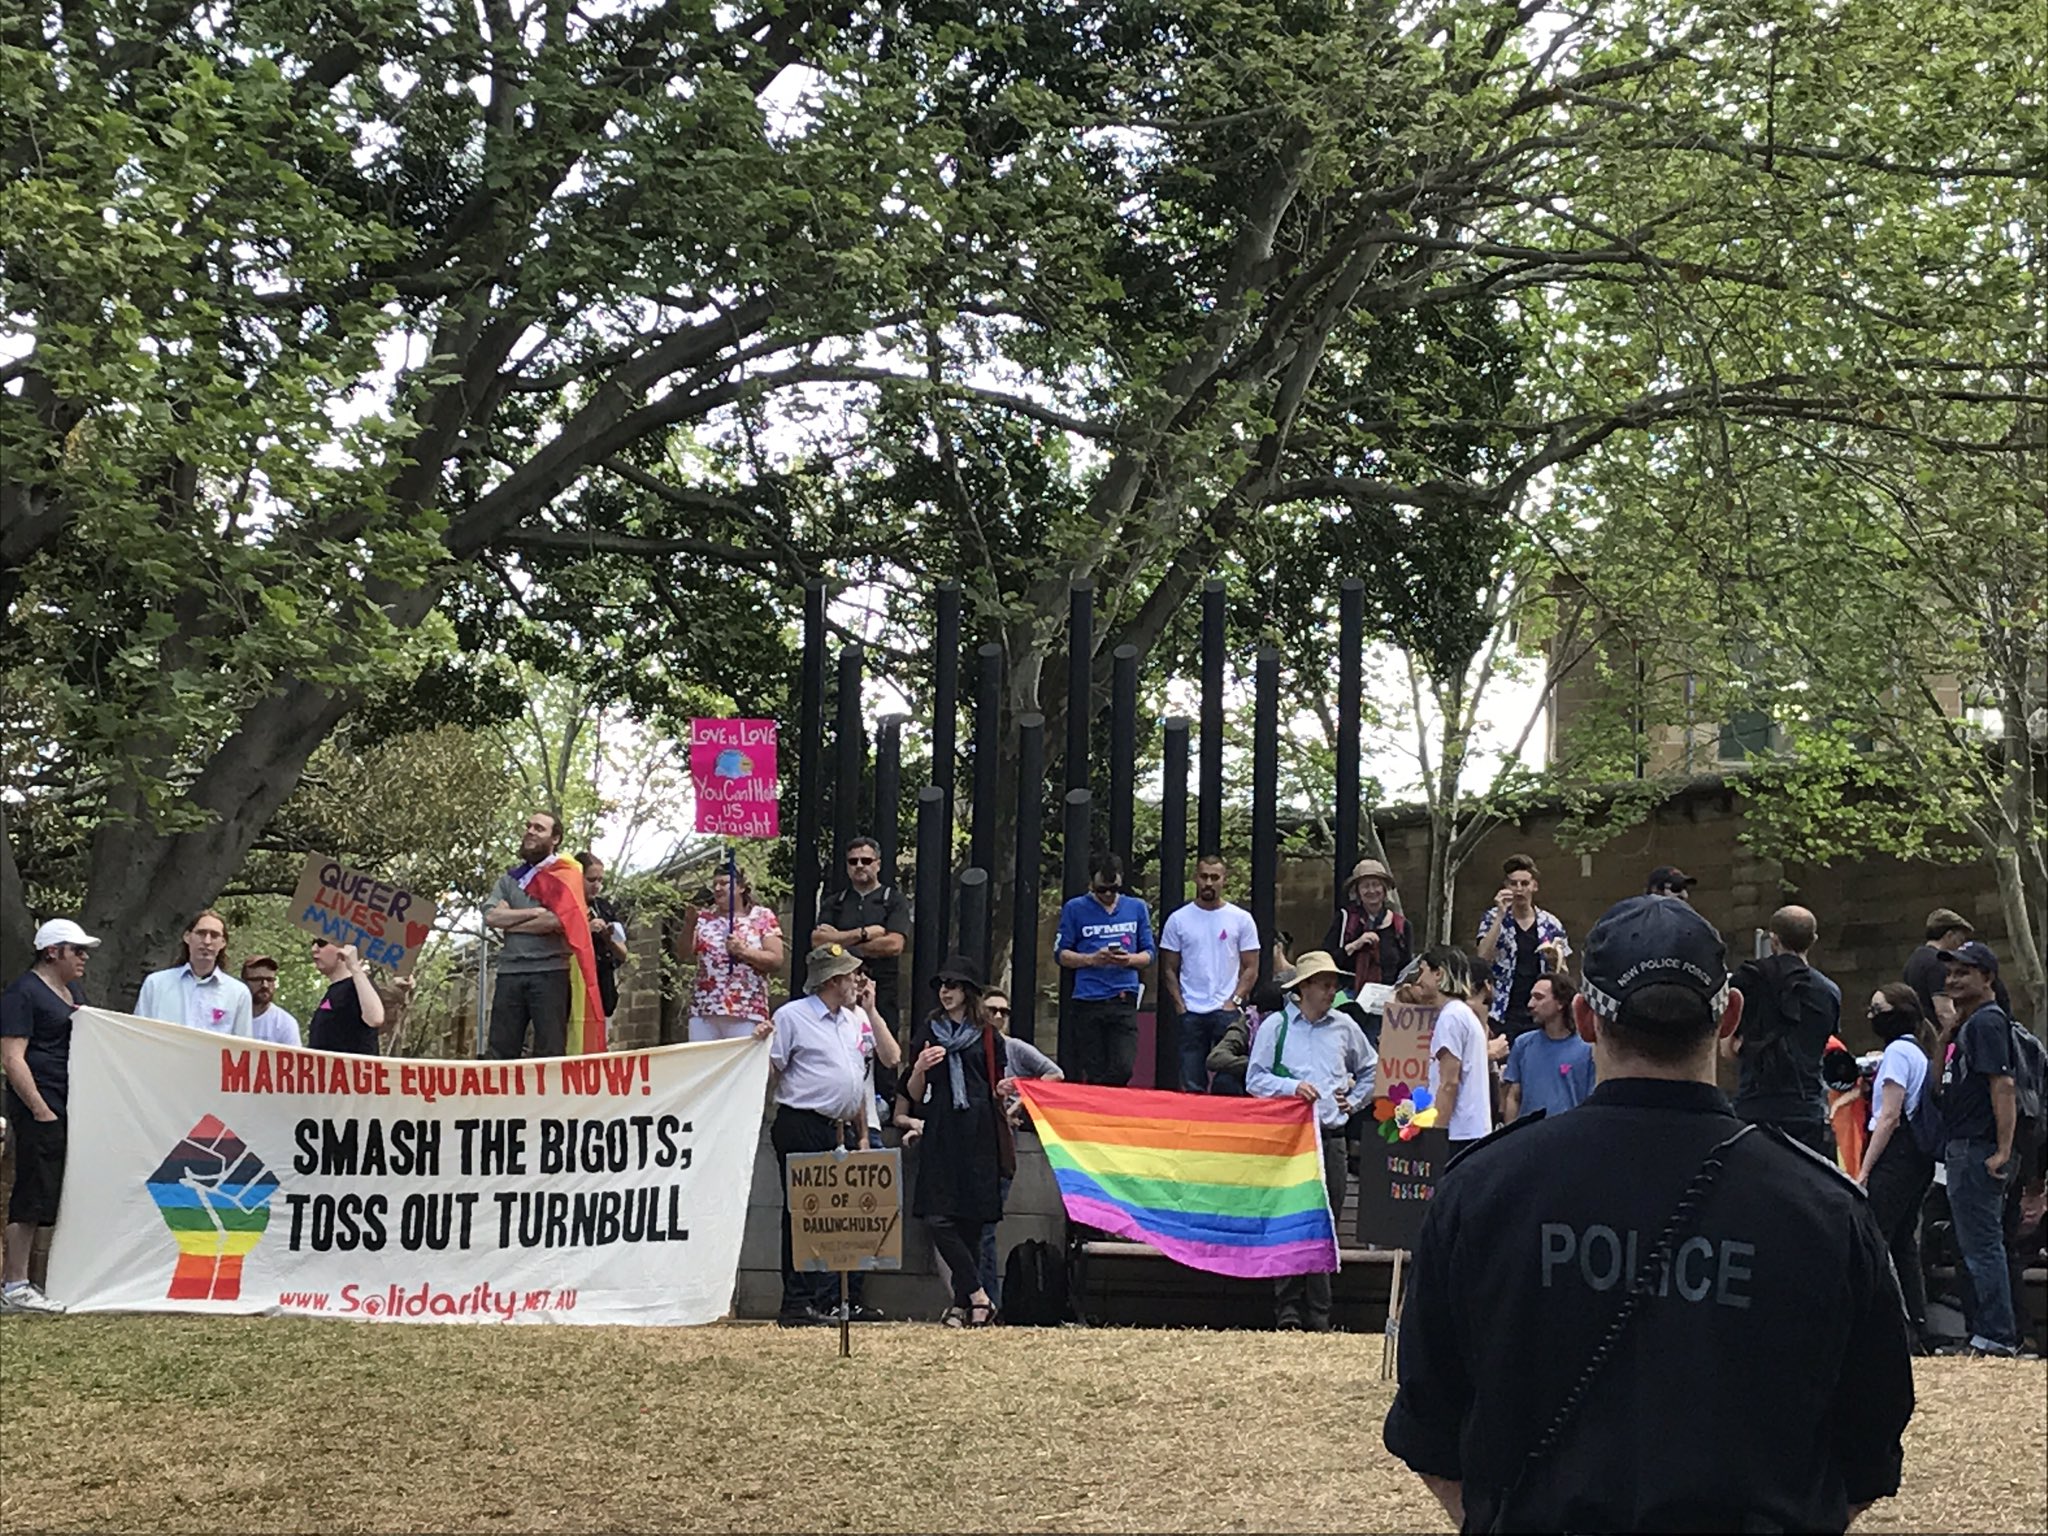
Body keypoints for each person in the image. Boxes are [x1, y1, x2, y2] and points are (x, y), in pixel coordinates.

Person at [1384, 895, 1915, 1533]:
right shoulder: (1825, 1210)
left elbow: (1427, 1421)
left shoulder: (1482, 1192)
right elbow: (1868, 1448)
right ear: (1728, 1018)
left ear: (1584, 1018)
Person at [768, 944, 901, 1326]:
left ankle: (823, 1299)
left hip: (838, 1126)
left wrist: (861, 1132)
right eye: (850, 975)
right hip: (801, 1120)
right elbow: (773, 1068)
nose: (858, 981)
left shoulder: (853, 1018)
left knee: (829, 1212)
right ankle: (796, 1300)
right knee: (801, 1212)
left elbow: (868, 1071)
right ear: (831, 981)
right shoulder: (792, 1016)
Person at [1246, 950, 1377, 1332]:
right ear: (1303, 988)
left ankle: (1320, 1311)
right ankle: (1287, 1307)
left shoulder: (1345, 1026)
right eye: (1324, 984)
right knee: (1289, 1220)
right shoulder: (1276, 1027)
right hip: (1290, 1139)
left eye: (1334, 984)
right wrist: (1291, 1087)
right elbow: (1255, 1080)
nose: (1331, 991)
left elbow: (1371, 1069)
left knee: (1326, 1223)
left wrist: (1353, 1103)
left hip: (1331, 1135)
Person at [904, 956, 1012, 1327]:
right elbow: (914, 1091)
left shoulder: (988, 1035)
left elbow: (998, 1085)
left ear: (968, 992)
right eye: (942, 986)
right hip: (942, 1126)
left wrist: (1004, 1090)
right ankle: (979, 1295)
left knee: (971, 1222)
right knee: (937, 1217)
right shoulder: (930, 1029)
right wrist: (920, 1067)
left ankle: (963, 1305)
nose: (945, 992)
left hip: (979, 1129)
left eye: (952, 985)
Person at [0, 919, 98, 1314]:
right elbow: (11, 1057)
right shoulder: (23, 993)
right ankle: (14, 1283)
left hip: (68, 1103)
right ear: (53, 951)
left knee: (53, 1192)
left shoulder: (72, 990)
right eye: (77, 950)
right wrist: (40, 1108)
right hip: (40, 1107)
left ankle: (40, 1278)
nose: (84, 957)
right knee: (31, 1190)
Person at [1930, 942, 2022, 1356]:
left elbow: (2002, 1085)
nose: (1953, 980)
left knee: (1983, 1245)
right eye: (1950, 973)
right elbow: (1938, 1083)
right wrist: (1947, 1031)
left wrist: (2002, 1149)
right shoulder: (1967, 1026)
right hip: (1959, 1146)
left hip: (1978, 1147)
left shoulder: (1987, 1023)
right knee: (1971, 1245)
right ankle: (1984, 1332)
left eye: (1964, 972)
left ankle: (1997, 1336)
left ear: (1987, 978)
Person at [1856, 983, 1936, 1351]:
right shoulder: (1917, 1051)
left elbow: (1888, 1116)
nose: (1871, 1016)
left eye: (1877, 1009)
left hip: (1897, 1154)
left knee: (1873, 1238)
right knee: (1903, 1241)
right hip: (1918, 1158)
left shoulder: (1898, 1054)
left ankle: (1881, 1327)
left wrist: (1865, 1168)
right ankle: (1915, 1325)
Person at [1725, 905, 1841, 1157]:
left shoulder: (1746, 982)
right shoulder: (1828, 992)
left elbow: (1728, 1049)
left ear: (1773, 938)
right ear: (1813, 940)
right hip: (1806, 1107)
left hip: (1755, 1106)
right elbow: (1823, 1044)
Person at [973, 986, 1061, 1306]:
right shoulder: (970, 1045)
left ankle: (988, 1301)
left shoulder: (1015, 1048)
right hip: (970, 1142)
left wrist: (1018, 1102)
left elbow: (1054, 1074)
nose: (998, 1016)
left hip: (1002, 1144)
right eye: (991, 1010)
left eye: (1004, 1012)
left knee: (986, 1226)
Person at [1159, 852, 1260, 1092]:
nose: (1208, 882)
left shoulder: (1241, 919)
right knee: (1192, 1082)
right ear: (1195, 878)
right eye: (1204, 876)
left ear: (1224, 880)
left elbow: (1251, 967)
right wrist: (1180, 1005)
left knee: (1229, 1080)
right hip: (1191, 1011)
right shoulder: (1178, 920)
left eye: (1215, 877)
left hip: (1226, 1011)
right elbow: (1168, 969)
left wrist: (1234, 1001)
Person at [1053, 852, 1155, 1087]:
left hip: (1123, 996)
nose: (1108, 895)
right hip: (1089, 999)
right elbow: (1061, 953)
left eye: (1114, 889)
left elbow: (1149, 953)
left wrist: (1128, 959)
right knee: (1095, 1066)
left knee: (1123, 1066)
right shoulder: (1075, 908)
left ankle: (1101, 1098)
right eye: (1102, 890)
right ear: (1091, 884)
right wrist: (1091, 959)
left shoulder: (1136, 907)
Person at [483, 811, 572, 1059]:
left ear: (555, 838)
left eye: (539, 828)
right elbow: (491, 917)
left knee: (550, 1051)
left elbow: (559, 920)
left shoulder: (565, 877)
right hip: (509, 973)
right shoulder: (510, 879)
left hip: (551, 973)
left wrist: (510, 920)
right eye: (529, 826)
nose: (531, 831)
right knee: (500, 1053)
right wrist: (533, 912)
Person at [810, 837, 913, 1029]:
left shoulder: (893, 900)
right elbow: (818, 941)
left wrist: (840, 942)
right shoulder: (835, 902)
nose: (859, 865)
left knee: (882, 1049)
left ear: (878, 864)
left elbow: (894, 945)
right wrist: (865, 933)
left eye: (866, 861)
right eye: (853, 861)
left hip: (882, 988)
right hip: (839, 988)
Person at [1473, 855, 1570, 1038]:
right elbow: (1482, 957)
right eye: (1513, 884)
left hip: (1539, 1012)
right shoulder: (1492, 918)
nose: (1519, 890)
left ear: (1534, 886)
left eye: (1524, 884)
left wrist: (1555, 960)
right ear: (1506, 886)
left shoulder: (1551, 924)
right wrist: (1500, 916)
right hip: (1502, 1011)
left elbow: (1563, 974)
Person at [1407, 945, 1493, 1150]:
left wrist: (1436, 1134)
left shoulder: (1451, 1017)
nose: (1419, 981)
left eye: (1423, 971)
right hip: (1471, 1129)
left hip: (1457, 1133)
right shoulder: (1462, 1014)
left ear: (1438, 974)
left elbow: (1449, 1083)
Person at [688, 863, 784, 1042]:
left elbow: (776, 960)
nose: (717, 888)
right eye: (714, 884)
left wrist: (744, 951)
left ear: (741, 887)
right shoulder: (704, 919)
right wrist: (689, 925)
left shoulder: (761, 916)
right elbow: (684, 956)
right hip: (705, 1011)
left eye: (724, 883)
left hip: (746, 1010)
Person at [1322, 859, 1412, 1047]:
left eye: (1376, 884)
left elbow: (1406, 967)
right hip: (1350, 1001)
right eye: (1365, 886)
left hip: (1386, 1005)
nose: (1371, 890)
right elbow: (1326, 959)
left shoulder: (1401, 925)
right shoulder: (1345, 920)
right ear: (1357, 891)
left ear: (1385, 889)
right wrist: (1355, 945)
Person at [134, 908, 253, 1038]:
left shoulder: (238, 993)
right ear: (187, 937)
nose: (207, 941)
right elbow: (139, 1035)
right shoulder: (156, 985)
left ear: (223, 943)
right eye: (201, 933)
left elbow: (242, 1048)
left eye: (214, 935)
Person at [1501, 975, 1595, 1121]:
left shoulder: (1587, 1049)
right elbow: (1514, 1096)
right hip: (1528, 1135)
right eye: (1531, 997)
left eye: (1539, 997)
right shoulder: (1523, 1044)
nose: (1531, 1004)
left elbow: (1592, 1100)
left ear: (1560, 1003)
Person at [1903, 908, 2013, 1022]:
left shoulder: (1912, 961)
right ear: (1950, 935)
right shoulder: (1938, 963)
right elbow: (1944, 1012)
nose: (1961, 945)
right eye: (1960, 939)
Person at [307, 939, 389, 1055]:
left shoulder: (359, 985)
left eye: (321, 943)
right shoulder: (334, 990)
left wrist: (354, 967)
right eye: (313, 944)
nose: (314, 949)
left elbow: (375, 1018)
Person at [579, 853, 630, 1019]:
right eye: (591, 880)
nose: (597, 885)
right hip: (572, 986)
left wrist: (609, 940)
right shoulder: (564, 906)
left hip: (602, 985)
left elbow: (623, 953)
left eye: (600, 880)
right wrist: (586, 930)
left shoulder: (605, 908)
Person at [238, 956, 302, 1047]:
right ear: (244, 982)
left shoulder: (285, 1023)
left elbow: (293, 1059)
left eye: (270, 980)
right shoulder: (231, 1015)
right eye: (257, 979)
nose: (265, 985)